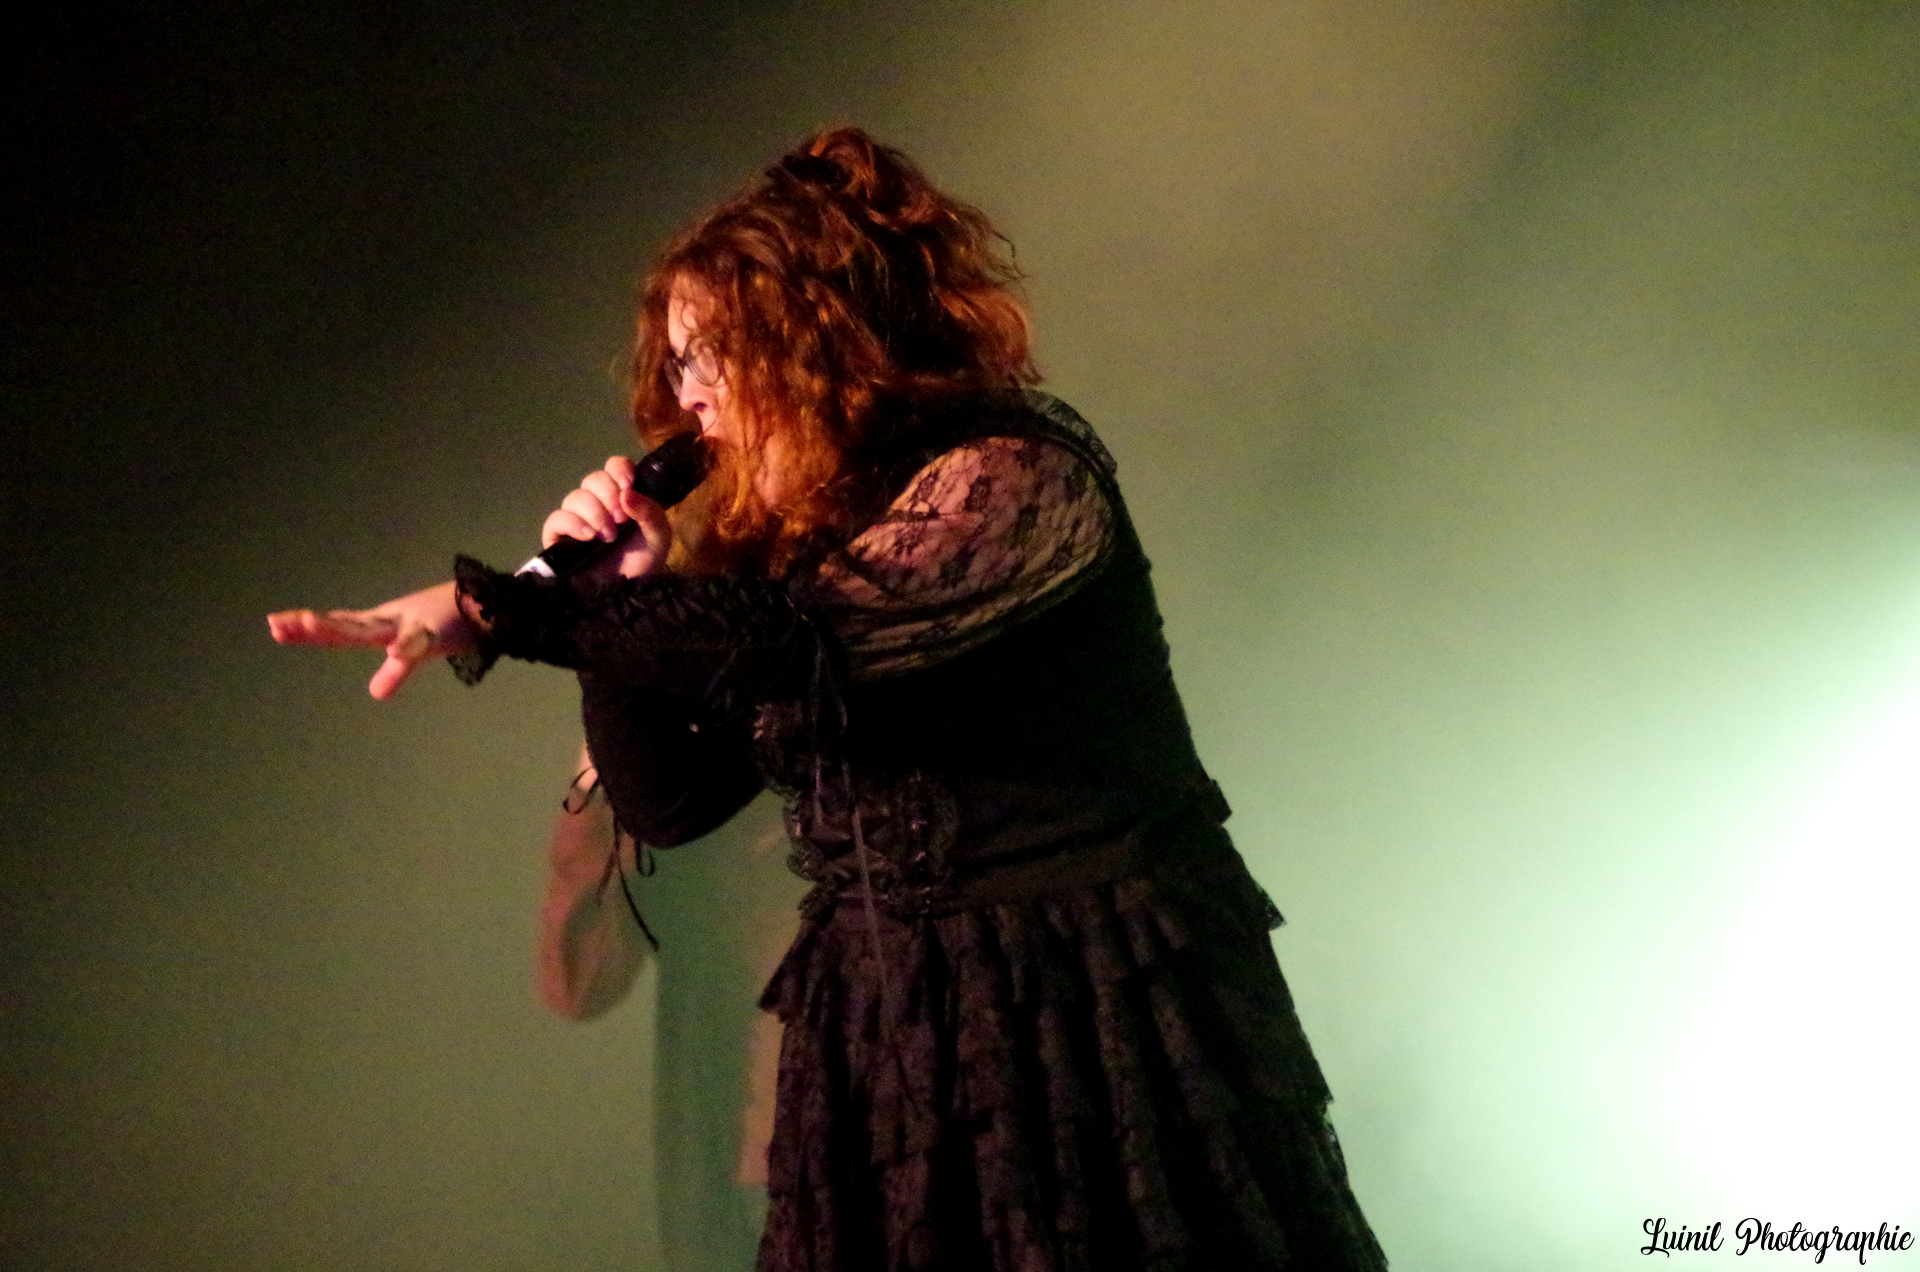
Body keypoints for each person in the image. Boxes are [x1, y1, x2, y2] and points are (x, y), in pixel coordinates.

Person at [270, 126, 1389, 1272]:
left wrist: (498, 608)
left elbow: (797, 646)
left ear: (819, 340)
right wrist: (612, 597)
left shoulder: (1014, 476)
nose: (686, 400)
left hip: (1082, 991)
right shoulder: (803, 536)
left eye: (710, 357)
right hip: (889, 1011)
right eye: (677, 363)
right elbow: (675, 804)